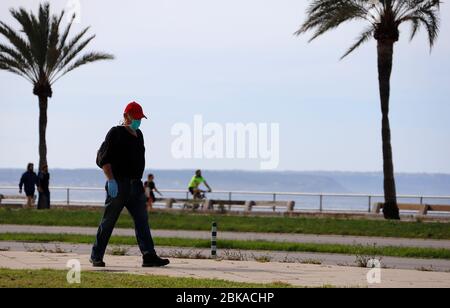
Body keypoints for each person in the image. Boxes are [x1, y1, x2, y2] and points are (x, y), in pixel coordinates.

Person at [92, 101, 169, 268]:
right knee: (108, 221)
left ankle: (149, 255)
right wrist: (111, 180)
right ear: (126, 116)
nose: (138, 121)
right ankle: (96, 256)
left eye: (140, 118)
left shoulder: (139, 134)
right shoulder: (115, 133)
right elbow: (104, 159)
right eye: (135, 118)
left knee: (142, 221)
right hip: (118, 184)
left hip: (136, 186)